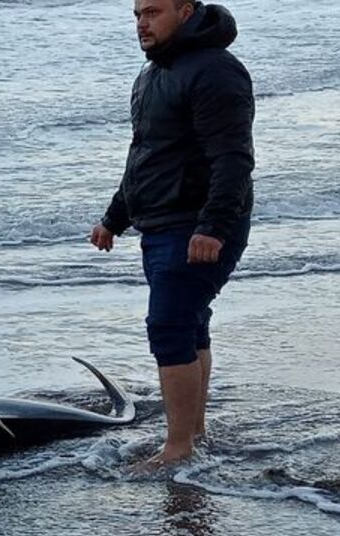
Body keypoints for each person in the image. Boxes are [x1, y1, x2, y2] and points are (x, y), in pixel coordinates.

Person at [90, 0, 255, 467]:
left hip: (198, 225)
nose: (142, 22)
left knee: (169, 325)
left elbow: (233, 158)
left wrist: (213, 227)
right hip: (162, 224)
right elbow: (145, 154)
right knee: (188, 321)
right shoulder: (152, 74)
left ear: (185, 11)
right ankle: (193, 434)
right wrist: (113, 219)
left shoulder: (216, 72)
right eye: (137, 14)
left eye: (153, 12)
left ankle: (178, 447)